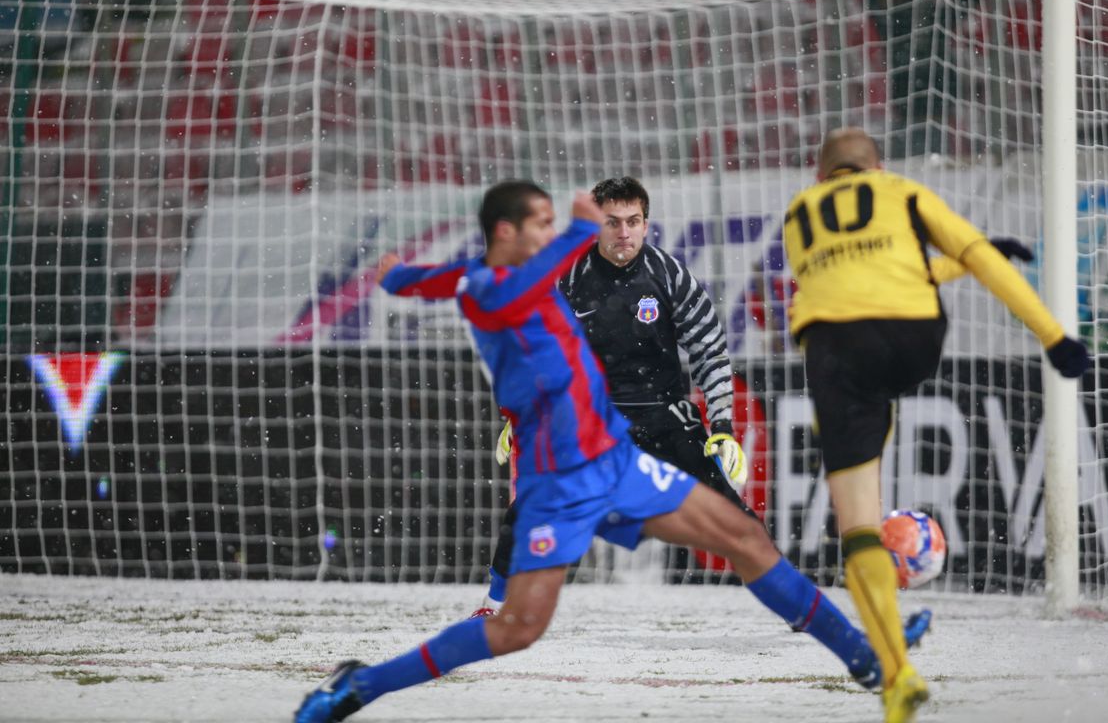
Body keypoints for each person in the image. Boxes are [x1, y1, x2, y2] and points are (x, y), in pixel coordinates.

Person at [296, 180, 894, 723]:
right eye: (543, 223)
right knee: (516, 631)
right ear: (508, 232)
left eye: (560, 224)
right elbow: (509, 278)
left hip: (619, 458)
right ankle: (362, 686)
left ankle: (866, 657)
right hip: (560, 483)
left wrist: (398, 278)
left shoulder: (512, 272)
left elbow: (430, 280)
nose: (555, 233)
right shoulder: (493, 291)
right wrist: (584, 229)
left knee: (746, 538)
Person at [781, 128, 1090, 723]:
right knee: (888, 377)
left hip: (834, 349)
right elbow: (969, 258)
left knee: (859, 532)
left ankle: (897, 679)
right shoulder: (900, 190)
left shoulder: (799, 215)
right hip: (912, 337)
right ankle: (898, 672)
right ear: (879, 166)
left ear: (820, 178)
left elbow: (848, 279)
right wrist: (1051, 335)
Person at [475, 175, 751, 614]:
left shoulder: (670, 275)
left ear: (646, 224)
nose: (623, 232)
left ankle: (795, 603)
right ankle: (491, 606)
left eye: (633, 221)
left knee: (734, 518)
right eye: (612, 222)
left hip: (663, 413)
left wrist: (721, 427)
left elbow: (711, 353)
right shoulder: (565, 276)